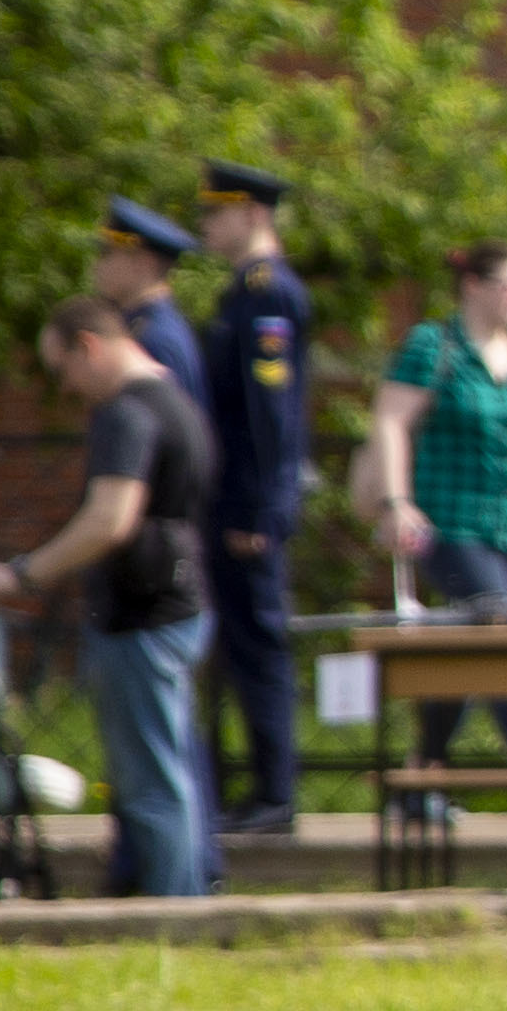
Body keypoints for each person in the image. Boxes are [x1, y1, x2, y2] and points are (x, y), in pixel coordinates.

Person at [0, 298, 214, 895]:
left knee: (152, 785)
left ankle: (176, 919)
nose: (68, 387)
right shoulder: (174, 399)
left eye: (64, 369)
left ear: (89, 345)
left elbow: (110, 519)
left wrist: (24, 574)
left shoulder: (126, 413)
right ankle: (182, 903)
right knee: (165, 773)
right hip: (176, 603)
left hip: (143, 615)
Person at [367, 241, 507, 807]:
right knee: (500, 626)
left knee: (469, 641)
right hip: (449, 520)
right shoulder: (437, 344)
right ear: (474, 285)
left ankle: (421, 773)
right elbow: (390, 421)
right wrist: (396, 500)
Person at [195, 161, 312, 837]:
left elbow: (270, 417)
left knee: (260, 642)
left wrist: (258, 511)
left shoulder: (267, 295)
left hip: (249, 506)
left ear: (253, 214)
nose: (208, 225)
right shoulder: (243, 291)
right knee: (240, 644)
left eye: (217, 213)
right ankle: (253, 787)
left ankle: (275, 792)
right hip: (236, 501)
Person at [90, 199, 207, 396]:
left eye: (107, 253)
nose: (97, 265)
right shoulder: (141, 324)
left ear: (143, 263)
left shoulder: (157, 338)